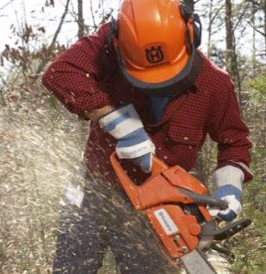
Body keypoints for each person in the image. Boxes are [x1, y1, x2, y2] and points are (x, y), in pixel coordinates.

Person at [42, 0, 252, 273]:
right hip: (91, 187)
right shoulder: (111, 42)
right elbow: (59, 73)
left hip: (158, 207)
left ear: (192, 34)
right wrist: (121, 124)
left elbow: (234, 143)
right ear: (118, 43)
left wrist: (230, 188)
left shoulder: (215, 84)